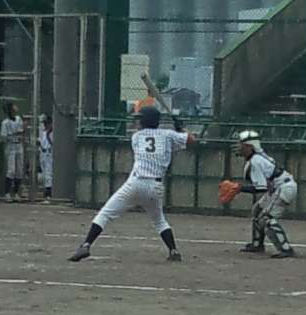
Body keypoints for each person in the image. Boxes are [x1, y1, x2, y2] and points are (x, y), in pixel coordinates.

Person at [69, 106, 195, 263]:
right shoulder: (168, 135)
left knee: (105, 214)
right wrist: (181, 128)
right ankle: (173, 250)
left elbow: (156, 141)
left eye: (139, 119)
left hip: (136, 183)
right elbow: (191, 140)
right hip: (155, 186)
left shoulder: (136, 137)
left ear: (145, 121)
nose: (137, 122)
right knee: (159, 221)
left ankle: (86, 245)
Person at [235, 130, 297, 258]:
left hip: (283, 187)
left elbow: (260, 188)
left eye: (242, 144)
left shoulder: (256, 160)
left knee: (267, 218)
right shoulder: (257, 157)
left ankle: (286, 249)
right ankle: (257, 244)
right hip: (278, 187)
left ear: (250, 146)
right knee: (257, 210)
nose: (239, 147)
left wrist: (239, 188)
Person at [0, 102, 25, 202]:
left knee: (19, 171)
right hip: (10, 146)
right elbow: (3, 137)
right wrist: (13, 134)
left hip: (19, 145)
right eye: (13, 106)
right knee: (11, 170)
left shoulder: (18, 119)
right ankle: (7, 193)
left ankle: (16, 193)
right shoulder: (5, 123)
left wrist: (21, 132)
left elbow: (21, 131)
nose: (16, 107)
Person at [39, 115, 53, 203]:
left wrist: (48, 136)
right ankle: (46, 194)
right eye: (44, 123)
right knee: (44, 175)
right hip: (43, 154)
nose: (45, 125)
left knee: (48, 174)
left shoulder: (52, 133)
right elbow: (41, 143)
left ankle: (49, 196)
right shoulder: (43, 132)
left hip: (49, 153)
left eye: (47, 123)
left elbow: (53, 144)